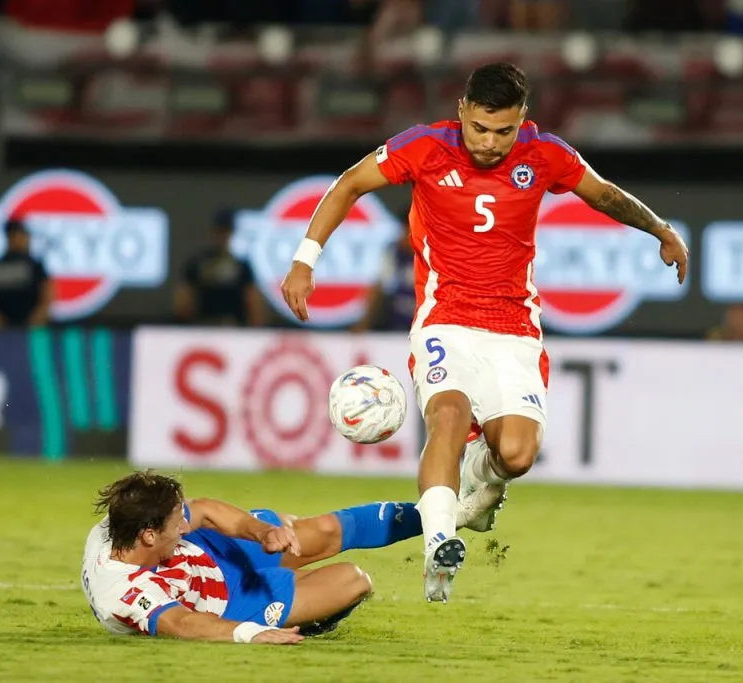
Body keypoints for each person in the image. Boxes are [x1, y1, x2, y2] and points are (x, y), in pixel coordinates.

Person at [280, 62, 689, 603]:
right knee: (446, 416)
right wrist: (306, 260)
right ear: (462, 113)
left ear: (524, 120)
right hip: (444, 318)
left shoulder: (546, 155)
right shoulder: (424, 147)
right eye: (480, 129)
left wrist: (660, 229)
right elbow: (350, 183)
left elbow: (604, 194)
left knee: (516, 454)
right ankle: (440, 546)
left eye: (504, 131)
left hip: (514, 328)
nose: (491, 143)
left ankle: (480, 483)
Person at [81, 471, 423, 644]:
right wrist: (248, 633)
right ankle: (309, 619)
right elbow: (180, 623)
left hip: (211, 551)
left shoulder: (130, 519)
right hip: (228, 605)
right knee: (354, 580)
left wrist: (261, 532)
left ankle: (443, 513)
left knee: (325, 531)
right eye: (176, 523)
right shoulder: (123, 592)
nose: (184, 524)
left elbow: (204, 512)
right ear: (150, 535)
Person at [174, 208, 267, 327]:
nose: (223, 237)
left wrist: (255, 332)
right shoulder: (196, 264)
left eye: (226, 232)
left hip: (234, 329)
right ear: (213, 233)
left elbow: (254, 302)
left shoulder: (241, 266)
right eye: (220, 232)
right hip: (202, 328)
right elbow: (183, 301)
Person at [0, 218, 53, 329]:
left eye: (23, 235)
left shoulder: (36, 267)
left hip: (30, 330)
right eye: (15, 235)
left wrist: (36, 321)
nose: (21, 239)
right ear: (9, 238)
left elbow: (47, 295)